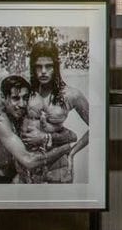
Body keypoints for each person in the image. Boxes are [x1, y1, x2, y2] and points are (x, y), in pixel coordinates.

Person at [0, 75, 75, 184]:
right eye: (16, 98)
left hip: (18, 175)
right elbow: (29, 161)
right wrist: (64, 149)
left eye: (25, 97)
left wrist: (46, 137)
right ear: (3, 98)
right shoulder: (0, 119)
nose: (22, 104)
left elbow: (71, 135)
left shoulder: (26, 111)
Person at [23, 42, 90, 183]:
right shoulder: (27, 92)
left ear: (56, 67)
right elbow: (8, 101)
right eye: (38, 66)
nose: (43, 71)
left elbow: (98, 127)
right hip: (33, 162)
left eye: (48, 66)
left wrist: (72, 153)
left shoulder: (71, 94)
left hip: (59, 164)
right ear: (33, 67)